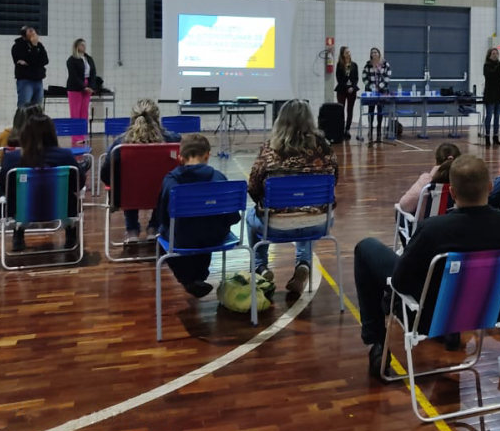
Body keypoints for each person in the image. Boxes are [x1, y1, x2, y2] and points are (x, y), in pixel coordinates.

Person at [354, 155, 500, 379]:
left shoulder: (433, 229)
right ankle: (450, 328)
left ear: (452, 192)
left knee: (366, 248)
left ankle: (375, 341)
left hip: (429, 318)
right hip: (488, 313)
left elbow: (400, 283)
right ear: (490, 187)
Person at [247, 100, 339, 298]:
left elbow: (253, 187)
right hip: (319, 223)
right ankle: (303, 263)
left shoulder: (269, 150)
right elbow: (335, 180)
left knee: (250, 216)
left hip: (276, 225)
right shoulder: (325, 149)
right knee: (307, 210)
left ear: (281, 120)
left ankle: (260, 267)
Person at [151, 134, 240, 299]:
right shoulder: (219, 178)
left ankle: (187, 279)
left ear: (180, 157)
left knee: (164, 235)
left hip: (183, 238)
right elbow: (233, 217)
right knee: (206, 226)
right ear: (207, 155)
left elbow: (162, 215)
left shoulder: (171, 181)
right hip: (215, 237)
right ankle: (199, 276)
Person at [99, 98, 181, 243]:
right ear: (157, 117)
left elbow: (106, 174)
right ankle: (154, 228)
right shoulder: (173, 140)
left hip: (128, 195)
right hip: (162, 195)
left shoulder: (120, 144)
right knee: (163, 183)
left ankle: (132, 230)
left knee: (127, 182)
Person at [0, 113, 81, 252]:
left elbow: (4, 186)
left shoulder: (12, 158)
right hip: (63, 209)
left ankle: (18, 234)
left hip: (21, 211)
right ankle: (70, 233)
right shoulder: (65, 156)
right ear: (52, 133)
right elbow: (78, 184)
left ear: (25, 134)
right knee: (71, 197)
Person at [398, 142, 461, 214]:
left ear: (436, 160)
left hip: (428, 221)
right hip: (458, 220)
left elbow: (405, 205)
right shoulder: (463, 183)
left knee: (400, 212)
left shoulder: (426, 181)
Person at [66, 38, 102, 145]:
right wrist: (83, 87)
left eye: (85, 45)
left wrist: (91, 86)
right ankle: (76, 137)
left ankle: (83, 135)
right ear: (76, 46)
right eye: (82, 45)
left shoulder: (89, 59)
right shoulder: (71, 60)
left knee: (84, 112)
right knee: (75, 112)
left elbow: (93, 73)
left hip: (87, 85)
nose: (84, 47)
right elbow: (73, 76)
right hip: (75, 87)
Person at [12, 25, 48, 107]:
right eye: (30, 31)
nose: (34, 33)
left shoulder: (39, 45)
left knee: (37, 107)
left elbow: (45, 60)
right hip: (25, 81)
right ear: (24, 36)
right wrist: (34, 47)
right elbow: (30, 60)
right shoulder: (17, 46)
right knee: (24, 106)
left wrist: (29, 63)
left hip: (38, 80)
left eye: (34, 31)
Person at [362, 47, 391, 144]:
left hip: (382, 91)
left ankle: (379, 129)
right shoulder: (368, 65)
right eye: (372, 53)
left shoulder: (385, 64)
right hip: (371, 91)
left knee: (380, 110)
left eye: (375, 52)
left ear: (379, 54)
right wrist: (372, 86)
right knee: (371, 110)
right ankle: (370, 129)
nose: (374, 54)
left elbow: (388, 77)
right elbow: (364, 77)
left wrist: (380, 86)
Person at [482, 47, 500, 147]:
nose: (495, 55)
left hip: (499, 93)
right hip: (490, 94)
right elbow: (491, 76)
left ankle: (496, 136)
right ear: (489, 55)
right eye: (493, 53)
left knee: (497, 116)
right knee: (489, 115)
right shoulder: (487, 65)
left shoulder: (499, 65)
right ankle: (487, 136)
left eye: (497, 53)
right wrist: (498, 67)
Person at [334, 46, 359, 140]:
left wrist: (352, 87)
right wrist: (346, 87)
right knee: (341, 109)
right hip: (342, 90)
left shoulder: (354, 65)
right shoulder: (339, 65)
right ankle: (340, 129)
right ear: (343, 54)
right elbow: (339, 78)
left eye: (349, 52)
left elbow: (356, 78)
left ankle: (347, 129)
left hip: (352, 91)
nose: (349, 54)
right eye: (346, 52)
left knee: (350, 109)